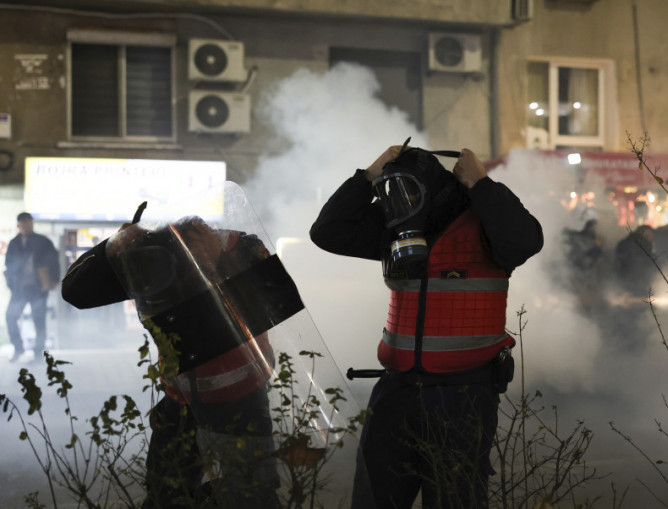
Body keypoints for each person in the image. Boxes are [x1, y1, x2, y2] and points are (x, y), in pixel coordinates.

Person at [310, 143, 544, 509]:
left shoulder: (482, 220)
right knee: (374, 498)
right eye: (393, 191)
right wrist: (369, 176)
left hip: (463, 395)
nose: (401, 202)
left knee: (456, 499)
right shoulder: (395, 224)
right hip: (396, 389)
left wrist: (481, 183)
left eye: (410, 191)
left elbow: (526, 240)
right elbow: (327, 232)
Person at [62, 216, 305, 508]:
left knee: (253, 494)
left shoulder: (238, 246)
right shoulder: (150, 255)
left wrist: (220, 263)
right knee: (168, 493)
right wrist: (111, 248)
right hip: (182, 401)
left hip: (245, 399)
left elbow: (273, 300)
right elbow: (76, 291)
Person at [5, 211, 59, 362]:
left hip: (38, 288)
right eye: (23, 223)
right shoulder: (14, 243)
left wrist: (53, 280)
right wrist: (11, 284)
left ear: (32, 223)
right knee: (10, 317)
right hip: (19, 290)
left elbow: (54, 261)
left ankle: (38, 354)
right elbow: (8, 266)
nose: (26, 225)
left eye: (29, 222)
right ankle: (18, 348)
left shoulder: (43, 242)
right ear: (19, 225)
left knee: (39, 321)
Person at [613, 224, 656, 296]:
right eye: (651, 236)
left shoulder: (623, 243)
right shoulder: (644, 245)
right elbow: (646, 266)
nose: (653, 240)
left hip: (621, 286)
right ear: (646, 234)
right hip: (639, 287)